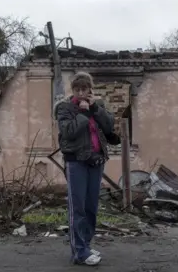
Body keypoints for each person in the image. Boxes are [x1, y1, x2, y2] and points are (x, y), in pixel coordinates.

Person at [53, 71, 115, 266]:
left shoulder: (98, 105)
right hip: (76, 162)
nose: (81, 93)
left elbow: (109, 126)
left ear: (90, 89)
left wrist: (94, 108)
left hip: (96, 161)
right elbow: (68, 132)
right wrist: (83, 113)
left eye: (84, 89)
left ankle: (86, 246)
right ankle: (79, 252)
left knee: (91, 208)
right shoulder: (64, 108)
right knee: (77, 207)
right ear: (73, 90)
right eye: (77, 89)